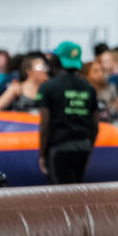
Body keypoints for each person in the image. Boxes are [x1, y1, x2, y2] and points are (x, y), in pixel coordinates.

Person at [36, 41, 99, 185]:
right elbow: (95, 126)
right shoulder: (89, 88)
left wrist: (41, 155)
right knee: (77, 192)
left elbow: (44, 124)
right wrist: (88, 149)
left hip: (59, 147)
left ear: (57, 60)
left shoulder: (48, 87)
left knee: (60, 195)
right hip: (83, 146)